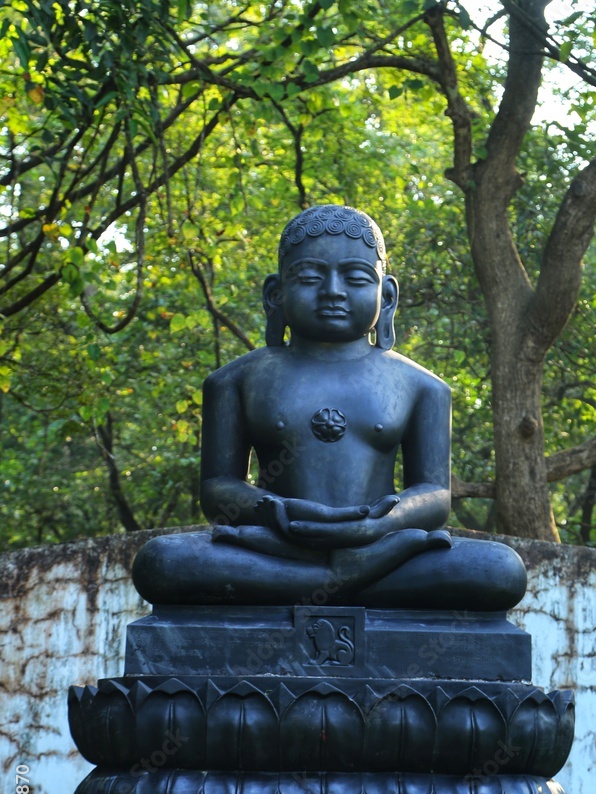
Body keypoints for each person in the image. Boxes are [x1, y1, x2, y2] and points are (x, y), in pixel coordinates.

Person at [132, 205, 526, 610]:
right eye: (309, 278)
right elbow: (217, 487)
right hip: (276, 546)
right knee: (161, 562)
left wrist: (380, 525)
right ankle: (341, 580)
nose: (333, 291)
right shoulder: (237, 380)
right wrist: (274, 512)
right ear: (276, 294)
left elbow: (435, 494)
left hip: (381, 547)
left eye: (356, 278)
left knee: (499, 571)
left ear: (386, 297)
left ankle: (318, 581)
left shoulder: (420, 385)